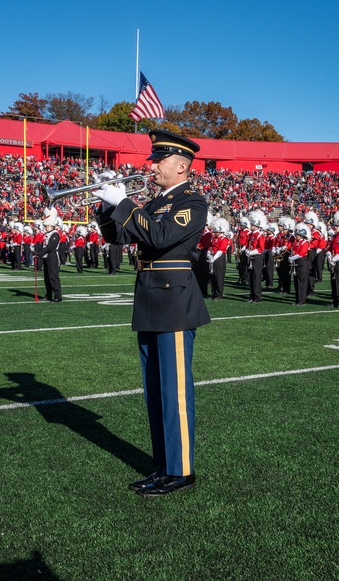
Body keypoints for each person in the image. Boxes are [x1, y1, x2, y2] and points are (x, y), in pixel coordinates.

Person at [94, 129, 210, 497]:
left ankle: (181, 470)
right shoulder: (157, 201)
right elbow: (120, 238)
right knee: (155, 393)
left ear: (181, 166)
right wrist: (108, 205)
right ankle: (164, 465)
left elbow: (159, 238)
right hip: (149, 300)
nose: (153, 166)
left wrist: (124, 203)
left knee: (174, 392)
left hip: (173, 303)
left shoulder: (192, 202)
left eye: (159, 160)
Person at [33, 208, 63, 302]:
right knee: (47, 278)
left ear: (50, 225)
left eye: (46, 226)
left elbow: (50, 247)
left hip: (53, 257)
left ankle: (58, 296)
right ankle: (49, 294)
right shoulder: (47, 234)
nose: (45, 227)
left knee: (53, 277)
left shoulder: (55, 234)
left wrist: (39, 253)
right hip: (47, 257)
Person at [206, 217, 230, 300]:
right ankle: (213, 293)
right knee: (212, 277)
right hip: (212, 257)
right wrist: (209, 255)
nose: (214, 233)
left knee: (218, 277)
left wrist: (213, 258)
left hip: (219, 259)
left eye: (216, 231)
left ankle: (219, 294)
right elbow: (209, 247)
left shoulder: (224, 239)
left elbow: (221, 250)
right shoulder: (213, 238)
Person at [289, 223, 312, 306]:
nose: (297, 236)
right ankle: (297, 299)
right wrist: (291, 256)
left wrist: (292, 258)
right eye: (296, 234)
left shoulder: (305, 243)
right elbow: (294, 251)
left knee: (302, 283)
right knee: (296, 282)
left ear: (302, 235)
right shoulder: (296, 242)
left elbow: (302, 253)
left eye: (298, 235)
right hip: (296, 263)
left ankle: (302, 301)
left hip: (302, 263)